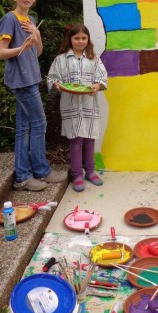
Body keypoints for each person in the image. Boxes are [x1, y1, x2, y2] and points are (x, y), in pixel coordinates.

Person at [0, 0, 66, 192]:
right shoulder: (9, 19)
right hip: (22, 81)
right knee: (39, 124)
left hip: (31, 78)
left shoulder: (31, 20)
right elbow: (1, 53)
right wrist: (22, 46)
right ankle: (41, 170)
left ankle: (23, 176)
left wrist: (37, 36)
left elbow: (37, 52)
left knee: (24, 128)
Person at [48, 23, 108, 192]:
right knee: (75, 140)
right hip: (71, 105)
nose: (80, 41)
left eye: (83, 38)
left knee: (89, 139)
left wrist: (96, 86)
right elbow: (52, 78)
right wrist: (57, 85)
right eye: (77, 38)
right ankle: (77, 175)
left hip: (89, 105)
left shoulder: (93, 58)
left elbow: (102, 78)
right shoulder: (61, 59)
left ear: (88, 39)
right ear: (70, 39)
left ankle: (90, 171)